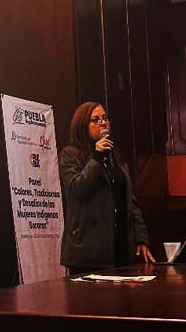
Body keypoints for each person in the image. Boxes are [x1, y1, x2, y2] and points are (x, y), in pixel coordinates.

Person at [59, 101, 154, 273]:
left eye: (105, 118)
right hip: (88, 252)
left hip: (120, 248)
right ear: (82, 126)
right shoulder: (70, 155)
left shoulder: (116, 156)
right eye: (96, 120)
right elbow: (77, 190)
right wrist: (96, 157)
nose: (103, 123)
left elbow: (130, 201)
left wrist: (141, 238)